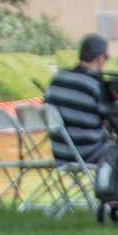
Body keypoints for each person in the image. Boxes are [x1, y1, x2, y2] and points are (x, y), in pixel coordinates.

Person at [44, 33, 110, 164]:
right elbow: (110, 120)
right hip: (89, 153)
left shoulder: (56, 79)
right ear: (100, 59)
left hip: (60, 153)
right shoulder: (95, 84)